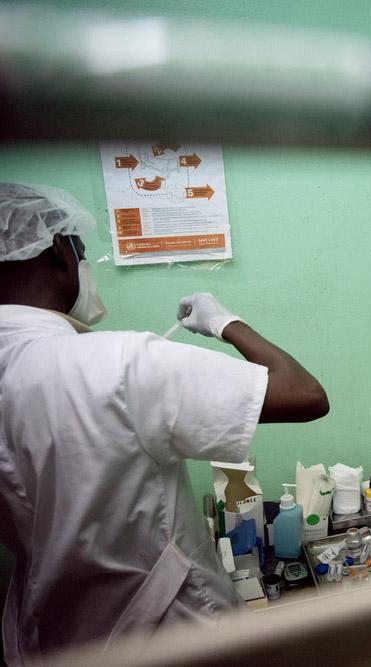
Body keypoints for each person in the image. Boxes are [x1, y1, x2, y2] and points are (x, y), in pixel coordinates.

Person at [0, 182, 329, 664]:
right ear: (58, 250)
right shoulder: (119, 363)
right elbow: (306, 394)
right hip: (170, 627)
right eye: (83, 251)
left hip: (49, 634)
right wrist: (225, 322)